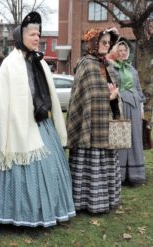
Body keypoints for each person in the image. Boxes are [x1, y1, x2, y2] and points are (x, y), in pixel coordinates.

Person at [0, 11, 76, 227]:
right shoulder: (9, 64)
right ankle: (14, 212)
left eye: (38, 34)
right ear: (21, 36)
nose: (37, 38)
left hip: (40, 122)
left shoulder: (41, 63)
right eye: (32, 34)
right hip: (14, 123)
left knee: (48, 167)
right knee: (17, 171)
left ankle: (45, 210)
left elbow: (51, 97)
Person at [66, 27, 121, 214]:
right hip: (88, 126)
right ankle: (84, 202)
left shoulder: (107, 65)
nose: (107, 45)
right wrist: (110, 97)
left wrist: (114, 96)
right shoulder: (86, 64)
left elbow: (110, 89)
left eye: (109, 43)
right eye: (104, 42)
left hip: (105, 122)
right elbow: (85, 96)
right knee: (89, 162)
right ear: (93, 43)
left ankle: (105, 201)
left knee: (105, 162)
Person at [111, 37, 146, 185]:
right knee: (122, 137)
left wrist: (140, 101)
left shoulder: (132, 69)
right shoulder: (112, 68)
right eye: (120, 50)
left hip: (135, 106)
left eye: (125, 50)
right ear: (115, 52)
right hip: (121, 105)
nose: (123, 52)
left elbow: (138, 88)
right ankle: (120, 175)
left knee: (135, 138)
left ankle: (136, 174)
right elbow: (111, 87)